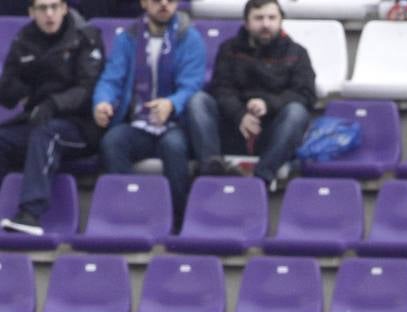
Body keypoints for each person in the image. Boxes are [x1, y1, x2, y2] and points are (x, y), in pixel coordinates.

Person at [92, 0, 205, 232]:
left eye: (170, 0)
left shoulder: (189, 37)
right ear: (144, 3)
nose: (164, 4)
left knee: (174, 148)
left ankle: (177, 223)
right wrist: (102, 102)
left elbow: (193, 85)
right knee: (113, 142)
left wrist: (171, 104)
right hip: (139, 123)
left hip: (176, 124)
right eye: (156, 0)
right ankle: (131, 215)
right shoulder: (128, 38)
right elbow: (111, 78)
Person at [184, 0, 315, 190]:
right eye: (259, 18)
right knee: (198, 101)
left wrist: (267, 104)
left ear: (281, 20)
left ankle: (260, 180)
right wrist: (240, 115)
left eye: (272, 18)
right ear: (246, 22)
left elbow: (306, 95)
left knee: (297, 112)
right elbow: (220, 89)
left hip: (273, 132)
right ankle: (211, 169)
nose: (266, 24)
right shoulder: (229, 49)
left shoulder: (297, 53)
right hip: (232, 127)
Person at [0, 0, 104, 236]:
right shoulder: (24, 39)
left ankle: (30, 214)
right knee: (2, 139)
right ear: (31, 12)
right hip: (39, 121)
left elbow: (86, 89)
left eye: (54, 6)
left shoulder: (85, 36)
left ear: (64, 8)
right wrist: (14, 90)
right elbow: (8, 89)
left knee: (48, 133)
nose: (49, 14)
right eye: (42, 8)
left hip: (82, 126)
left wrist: (53, 104)